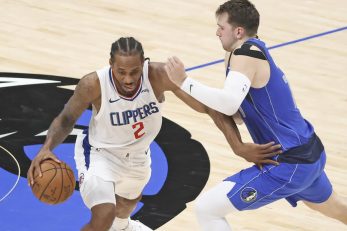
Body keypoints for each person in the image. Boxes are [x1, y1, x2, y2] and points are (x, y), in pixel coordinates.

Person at [26, 36, 280, 231]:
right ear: (110, 65)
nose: (128, 79)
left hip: (138, 157)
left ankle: (124, 227)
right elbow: (67, 118)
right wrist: (46, 149)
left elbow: (207, 106)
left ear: (143, 65)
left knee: (124, 209)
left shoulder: (158, 76)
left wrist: (238, 146)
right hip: (100, 153)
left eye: (134, 71)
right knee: (103, 215)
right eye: (121, 72)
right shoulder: (93, 83)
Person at [164, 0, 347, 230]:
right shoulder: (243, 52)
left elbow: (229, 104)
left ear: (238, 31)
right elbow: (237, 114)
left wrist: (184, 81)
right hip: (308, 153)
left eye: (221, 27)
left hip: (289, 163)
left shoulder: (245, 55)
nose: (217, 32)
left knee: (207, 210)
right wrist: (179, 89)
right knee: (336, 208)